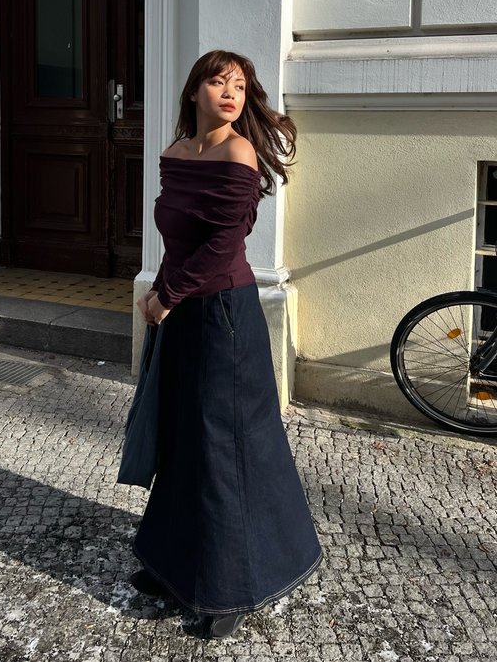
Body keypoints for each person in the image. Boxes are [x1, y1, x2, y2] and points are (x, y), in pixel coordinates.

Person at [129, 49, 323, 639]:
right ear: (194, 91)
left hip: (223, 315)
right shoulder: (175, 153)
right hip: (185, 311)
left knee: (225, 444)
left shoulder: (240, 153)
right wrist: (161, 290)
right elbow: (177, 237)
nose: (231, 93)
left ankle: (230, 583)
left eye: (240, 85)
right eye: (218, 82)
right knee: (185, 436)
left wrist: (166, 296)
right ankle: (173, 561)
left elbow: (218, 246)